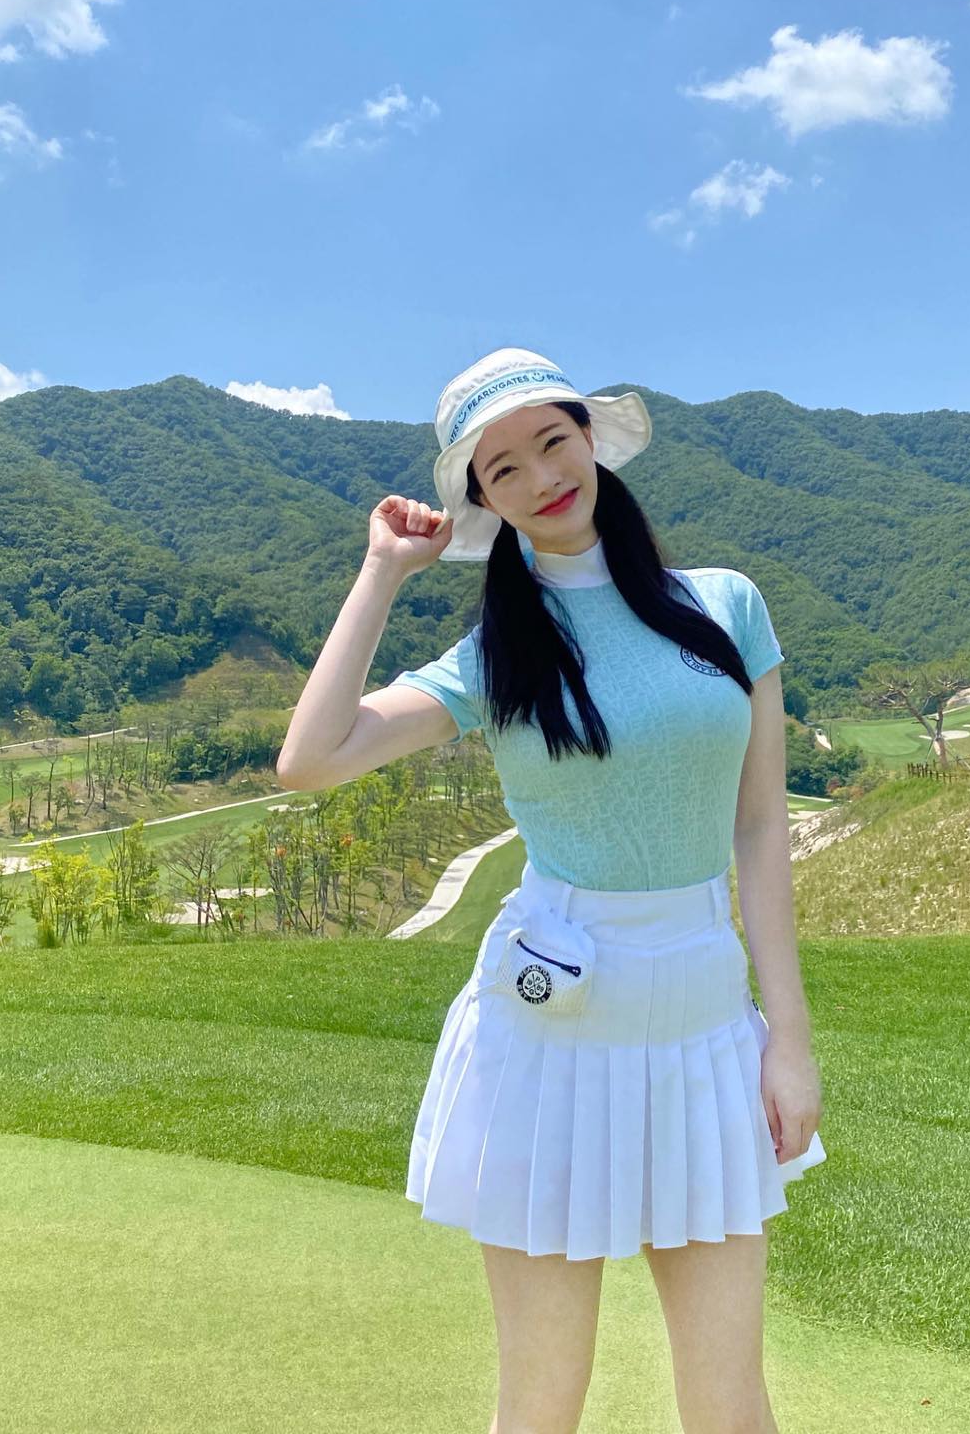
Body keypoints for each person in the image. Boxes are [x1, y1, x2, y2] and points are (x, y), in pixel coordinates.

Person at [276, 346, 826, 1434]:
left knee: (730, 1402)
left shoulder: (725, 606)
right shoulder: (496, 654)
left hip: (704, 1024)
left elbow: (760, 831)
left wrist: (790, 1041)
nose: (541, 478)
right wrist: (383, 570)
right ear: (482, 501)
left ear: (589, 438)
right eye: (502, 469)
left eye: (551, 442)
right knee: (540, 1403)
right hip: (547, 1040)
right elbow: (311, 758)